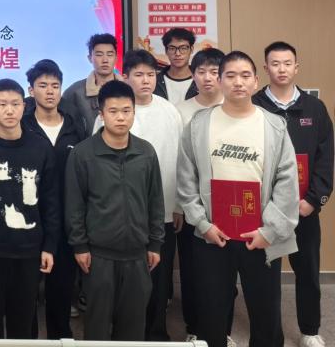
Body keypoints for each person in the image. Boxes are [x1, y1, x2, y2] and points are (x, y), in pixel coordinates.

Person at [176, 51, 299, 347]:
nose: (238, 82)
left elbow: (287, 181)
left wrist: (269, 230)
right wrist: (202, 223)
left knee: (266, 311)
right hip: (212, 234)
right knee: (211, 310)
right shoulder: (199, 124)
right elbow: (185, 178)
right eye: (230, 76)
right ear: (220, 81)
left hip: (260, 235)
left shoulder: (273, 125)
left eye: (245, 76)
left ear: (256, 81)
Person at [65, 80, 164, 341]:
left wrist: (155, 243)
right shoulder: (83, 154)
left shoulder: (146, 152)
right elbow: (75, 204)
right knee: (97, 325)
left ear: (134, 112)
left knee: (133, 325)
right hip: (98, 256)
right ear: (101, 114)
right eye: (113, 111)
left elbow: (155, 200)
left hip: (137, 254)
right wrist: (79, 245)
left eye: (126, 111)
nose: (121, 117)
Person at [0, 75, 59, 339]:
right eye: (2, 104)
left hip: (29, 248)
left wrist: (49, 246)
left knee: (23, 321)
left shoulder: (41, 148)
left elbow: (51, 201)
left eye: (15, 104)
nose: (9, 110)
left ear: (24, 106)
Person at [99, 49, 183, 341]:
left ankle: (156, 331)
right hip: (120, 214)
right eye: (138, 75)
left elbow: (180, 160)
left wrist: (178, 205)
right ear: (125, 77)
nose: (146, 80)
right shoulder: (111, 113)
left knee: (159, 276)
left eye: (151, 74)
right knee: (123, 281)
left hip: (163, 210)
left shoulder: (169, 111)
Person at [253, 42, 333, 347]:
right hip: (266, 210)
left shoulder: (315, 108)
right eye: (275, 63)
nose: (282, 69)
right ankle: (268, 334)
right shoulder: (254, 105)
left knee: (308, 272)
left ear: (296, 67)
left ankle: (310, 330)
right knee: (265, 275)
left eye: (287, 63)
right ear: (265, 68)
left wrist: (313, 200)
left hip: (303, 208)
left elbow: (326, 158)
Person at [21, 60, 88, 339]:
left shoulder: (76, 127)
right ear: (31, 90)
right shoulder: (22, 126)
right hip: (28, 219)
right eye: (43, 85)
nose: (50, 91)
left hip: (66, 219)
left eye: (55, 86)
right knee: (26, 292)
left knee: (61, 290)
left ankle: (60, 338)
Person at [174, 46, 227, 341]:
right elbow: (177, 162)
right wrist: (179, 205)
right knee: (192, 270)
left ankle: (223, 329)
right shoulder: (180, 111)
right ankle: (193, 328)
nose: (208, 78)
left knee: (225, 271)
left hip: (227, 202)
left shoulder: (234, 106)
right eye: (201, 71)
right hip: (192, 202)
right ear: (192, 75)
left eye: (215, 72)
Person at [59, 33, 117, 134]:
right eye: (99, 55)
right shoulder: (74, 92)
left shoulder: (129, 90)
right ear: (90, 58)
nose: (105, 60)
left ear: (116, 57)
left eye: (110, 54)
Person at [156, 27, 196, 103]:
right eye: (172, 48)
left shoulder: (200, 81)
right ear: (166, 51)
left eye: (183, 48)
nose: (177, 53)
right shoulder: (155, 81)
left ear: (191, 49)